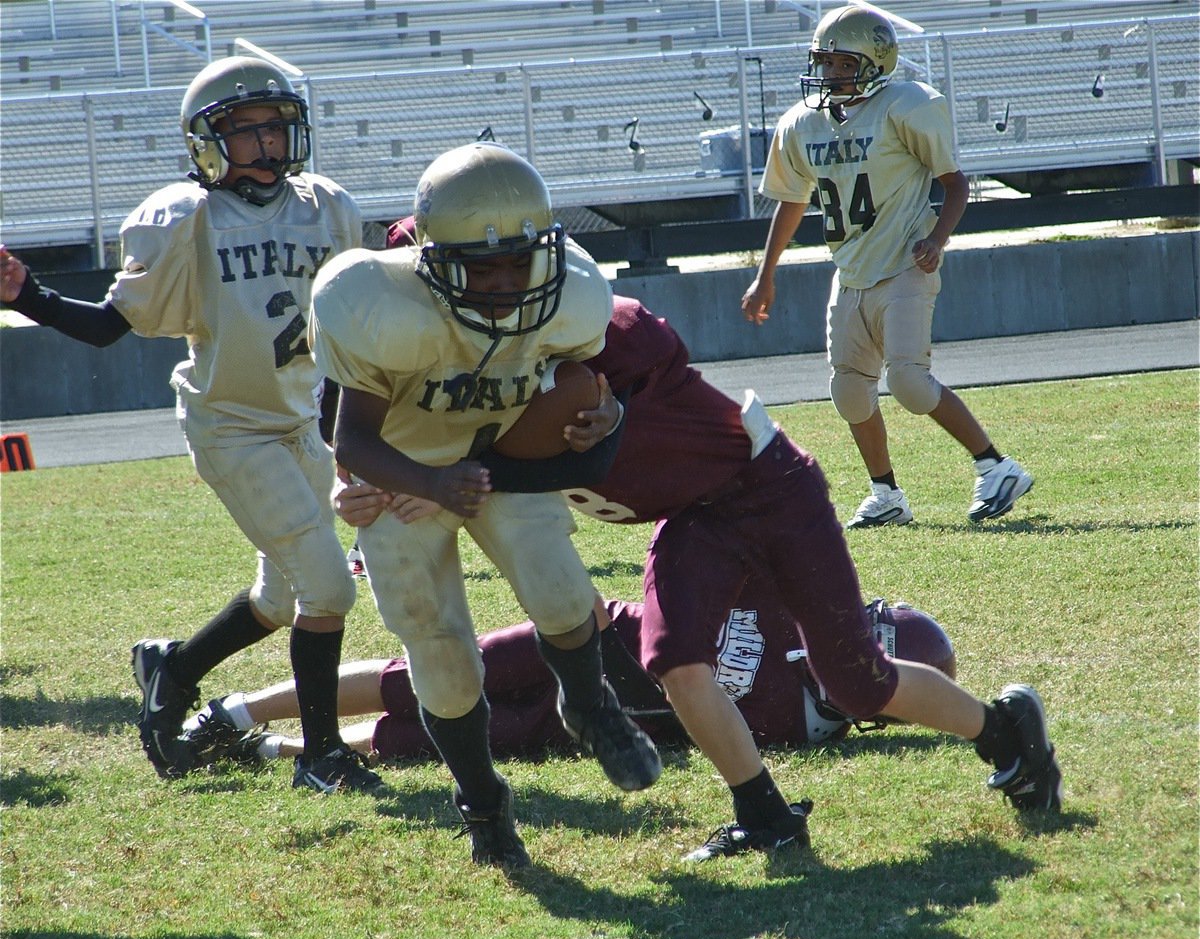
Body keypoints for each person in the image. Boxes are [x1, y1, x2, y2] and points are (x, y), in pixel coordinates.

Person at [330, 274, 1065, 862]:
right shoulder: (459, 363)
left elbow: (619, 382)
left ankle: (1004, 731)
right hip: (696, 515)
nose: (486, 295)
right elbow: (460, 447)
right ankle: (765, 815)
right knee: (675, 659)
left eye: (502, 274)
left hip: (769, 486)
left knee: (855, 680)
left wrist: (591, 425)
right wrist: (411, 478)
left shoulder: (593, 337)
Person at [0, 56, 380, 794]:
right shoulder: (187, 217)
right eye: (247, 131)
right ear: (208, 141)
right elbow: (113, 327)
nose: (267, 145)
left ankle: (171, 669)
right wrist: (30, 295)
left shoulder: (327, 207)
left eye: (276, 127)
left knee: (280, 597)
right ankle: (322, 758)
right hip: (231, 426)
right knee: (329, 589)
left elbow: (349, 333)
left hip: (299, 418)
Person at [307, 142, 662, 870]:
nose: (505, 282)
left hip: (499, 463)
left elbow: (581, 397)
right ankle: (482, 802)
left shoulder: (570, 296)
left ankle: (588, 702)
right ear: (434, 260)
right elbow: (349, 434)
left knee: (563, 591)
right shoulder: (380, 304)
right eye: (483, 265)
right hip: (401, 477)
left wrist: (608, 415)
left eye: (517, 262)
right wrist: (425, 484)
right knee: (438, 649)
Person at [740, 4, 1034, 529]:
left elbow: (955, 183)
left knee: (909, 383)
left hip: (904, 263)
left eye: (842, 64)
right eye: (824, 63)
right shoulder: (802, 123)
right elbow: (792, 201)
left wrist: (938, 239)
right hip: (849, 272)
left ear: (876, 62)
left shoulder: (906, 106)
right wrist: (767, 274)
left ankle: (997, 466)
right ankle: (887, 494)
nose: (830, 74)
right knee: (849, 391)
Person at [180, 586, 956, 766]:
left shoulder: (805, 728)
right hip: (597, 635)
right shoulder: (793, 599)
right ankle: (241, 709)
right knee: (427, 677)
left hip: (590, 724)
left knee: (434, 740)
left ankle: (276, 752)